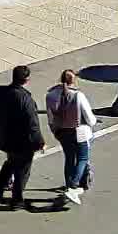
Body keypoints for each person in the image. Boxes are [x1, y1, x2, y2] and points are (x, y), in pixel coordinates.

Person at [0, 65, 43, 209]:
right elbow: (32, 124)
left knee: (11, 161)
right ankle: (17, 199)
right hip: (22, 141)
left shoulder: (1, 92)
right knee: (22, 169)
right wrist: (39, 142)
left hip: (4, 136)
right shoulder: (25, 99)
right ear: (27, 79)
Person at [44, 69, 97, 206]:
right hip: (79, 132)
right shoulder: (78, 95)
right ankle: (73, 187)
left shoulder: (50, 95)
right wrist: (93, 123)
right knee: (82, 158)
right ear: (74, 80)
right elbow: (90, 119)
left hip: (61, 132)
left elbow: (50, 119)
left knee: (69, 158)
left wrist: (55, 132)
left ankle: (68, 185)